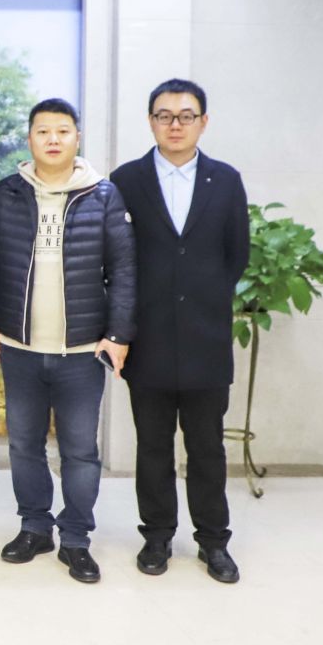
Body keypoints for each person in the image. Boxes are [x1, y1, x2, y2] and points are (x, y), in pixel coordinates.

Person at [0, 98, 135, 584]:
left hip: (82, 352)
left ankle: (76, 539)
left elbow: (125, 270)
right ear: (30, 138)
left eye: (62, 131)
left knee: (80, 451)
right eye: (43, 131)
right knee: (24, 445)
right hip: (20, 348)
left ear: (76, 138)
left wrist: (118, 335)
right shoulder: (7, 193)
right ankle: (34, 528)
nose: (52, 139)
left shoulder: (103, 195)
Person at [109, 79, 249, 584]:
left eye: (186, 116)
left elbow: (236, 255)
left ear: (203, 122)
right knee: (152, 446)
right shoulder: (126, 180)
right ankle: (157, 536)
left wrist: (202, 299)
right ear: (151, 121)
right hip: (147, 339)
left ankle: (214, 541)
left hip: (206, 340)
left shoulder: (225, 180)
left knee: (207, 448)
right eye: (164, 116)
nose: (175, 125)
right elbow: (116, 258)